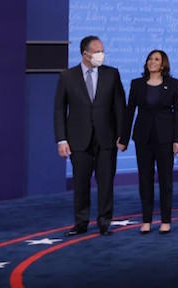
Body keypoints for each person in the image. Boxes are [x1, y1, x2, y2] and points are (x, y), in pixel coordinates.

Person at [54, 35, 126, 236]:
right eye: (97, 51)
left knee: (106, 183)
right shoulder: (68, 76)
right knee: (81, 183)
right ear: (85, 54)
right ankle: (81, 222)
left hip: (106, 138)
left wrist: (123, 135)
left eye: (102, 51)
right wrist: (62, 139)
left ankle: (104, 222)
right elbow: (59, 109)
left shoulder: (112, 74)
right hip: (78, 139)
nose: (101, 55)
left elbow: (120, 107)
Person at [121, 49, 178, 234]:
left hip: (165, 139)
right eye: (150, 58)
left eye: (156, 59)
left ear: (163, 64)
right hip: (143, 138)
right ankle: (146, 220)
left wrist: (177, 139)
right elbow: (129, 111)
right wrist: (123, 138)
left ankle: (165, 221)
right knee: (144, 180)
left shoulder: (173, 84)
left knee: (166, 180)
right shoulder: (137, 84)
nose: (152, 61)